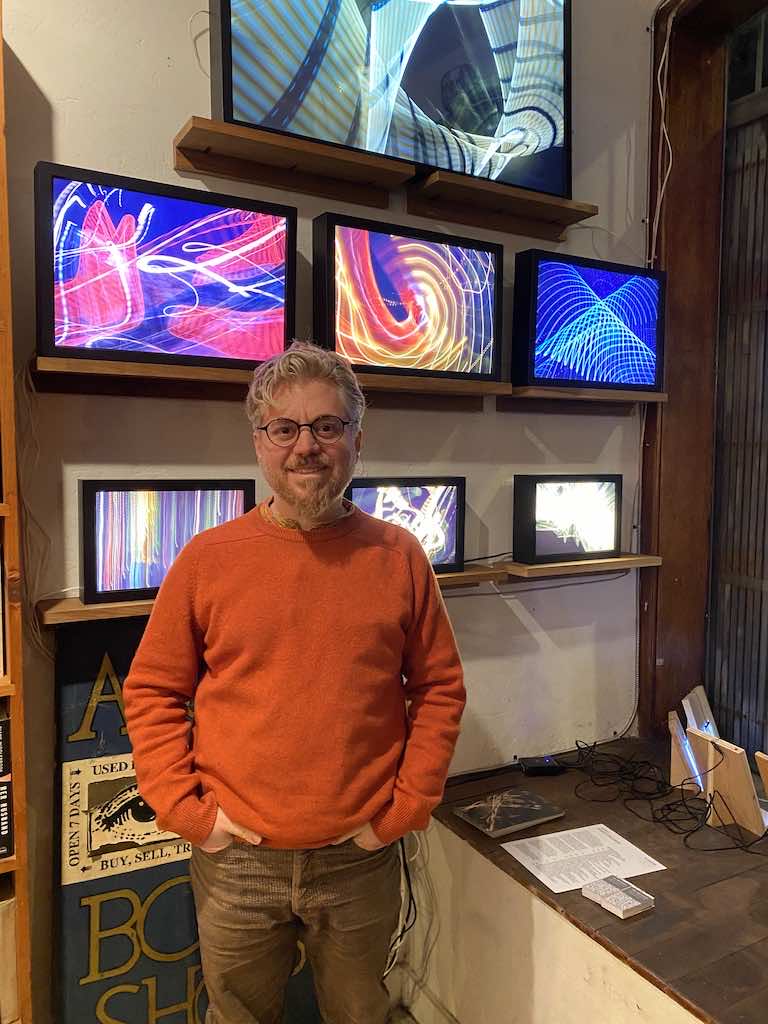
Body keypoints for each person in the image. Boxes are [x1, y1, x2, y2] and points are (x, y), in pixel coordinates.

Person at [123, 341, 466, 1024]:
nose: (306, 446)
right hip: (237, 862)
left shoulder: (399, 557)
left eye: (327, 426)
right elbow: (153, 691)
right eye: (285, 428)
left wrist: (402, 812)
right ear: (259, 442)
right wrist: (189, 814)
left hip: (360, 858)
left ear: (357, 439)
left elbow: (439, 689)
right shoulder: (207, 560)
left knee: (360, 1016)